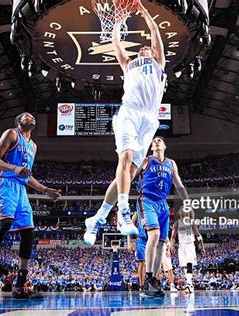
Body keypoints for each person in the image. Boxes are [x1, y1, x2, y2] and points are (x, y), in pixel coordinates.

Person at [83, 0, 166, 245]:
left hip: (149, 119)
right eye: (140, 50)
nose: (143, 51)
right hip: (129, 112)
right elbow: (116, 43)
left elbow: (155, 32)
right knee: (126, 155)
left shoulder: (158, 63)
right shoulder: (128, 65)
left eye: (146, 50)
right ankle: (123, 213)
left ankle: (98, 218)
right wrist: (119, 20)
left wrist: (143, 10)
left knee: (128, 174)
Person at [0, 112, 61, 300]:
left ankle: (20, 283)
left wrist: (45, 190)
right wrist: (13, 168)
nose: (31, 116)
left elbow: (26, 175)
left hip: (20, 188)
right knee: (5, 223)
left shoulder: (33, 146)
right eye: (26, 115)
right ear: (19, 122)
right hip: (3, 181)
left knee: (28, 232)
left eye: (32, 116)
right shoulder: (11, 134)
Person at [135, 136, 189, 297]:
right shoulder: (145, 160)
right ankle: (149, 279)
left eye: (160, 140)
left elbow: (179, 185)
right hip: (147, 200)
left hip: (163, 204)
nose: (157, 141)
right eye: (154, 141)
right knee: (155, 234)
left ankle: (155, 281)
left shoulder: (171, 163)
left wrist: (188, 204)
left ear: (164, 145)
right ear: (152, 147)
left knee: (161, 244)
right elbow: (129, 175)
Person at [169, 208, 205, 293]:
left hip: (190, 244)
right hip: (181, 245)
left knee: (189, 263)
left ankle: (189, 284)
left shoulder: (191, 222)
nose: (183, 213)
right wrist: (171, 245)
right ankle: (189, 283)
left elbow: (198, 235)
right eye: (181, 212)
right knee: (184, 265)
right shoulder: (177, 223)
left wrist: (202, 247)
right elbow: (173, 236)